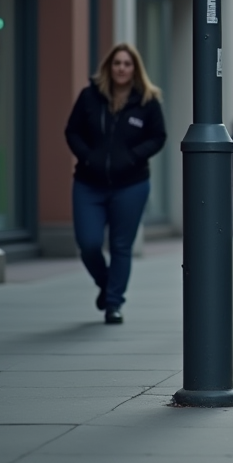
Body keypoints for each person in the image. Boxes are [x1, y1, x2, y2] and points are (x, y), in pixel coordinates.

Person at [64, 43, 167, 325]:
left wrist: (132, 156)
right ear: (109, 67)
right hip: (89, 183)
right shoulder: (89, 97)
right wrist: (88, 156)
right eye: (117, 63)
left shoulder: (147, 101)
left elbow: (159, 137)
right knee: (89, 243)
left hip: (131, 184)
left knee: (121, 246)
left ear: (135, 69)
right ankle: (106, 282)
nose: (122, 68)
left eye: (127, 64)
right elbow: (72, 131)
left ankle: (114, 303)